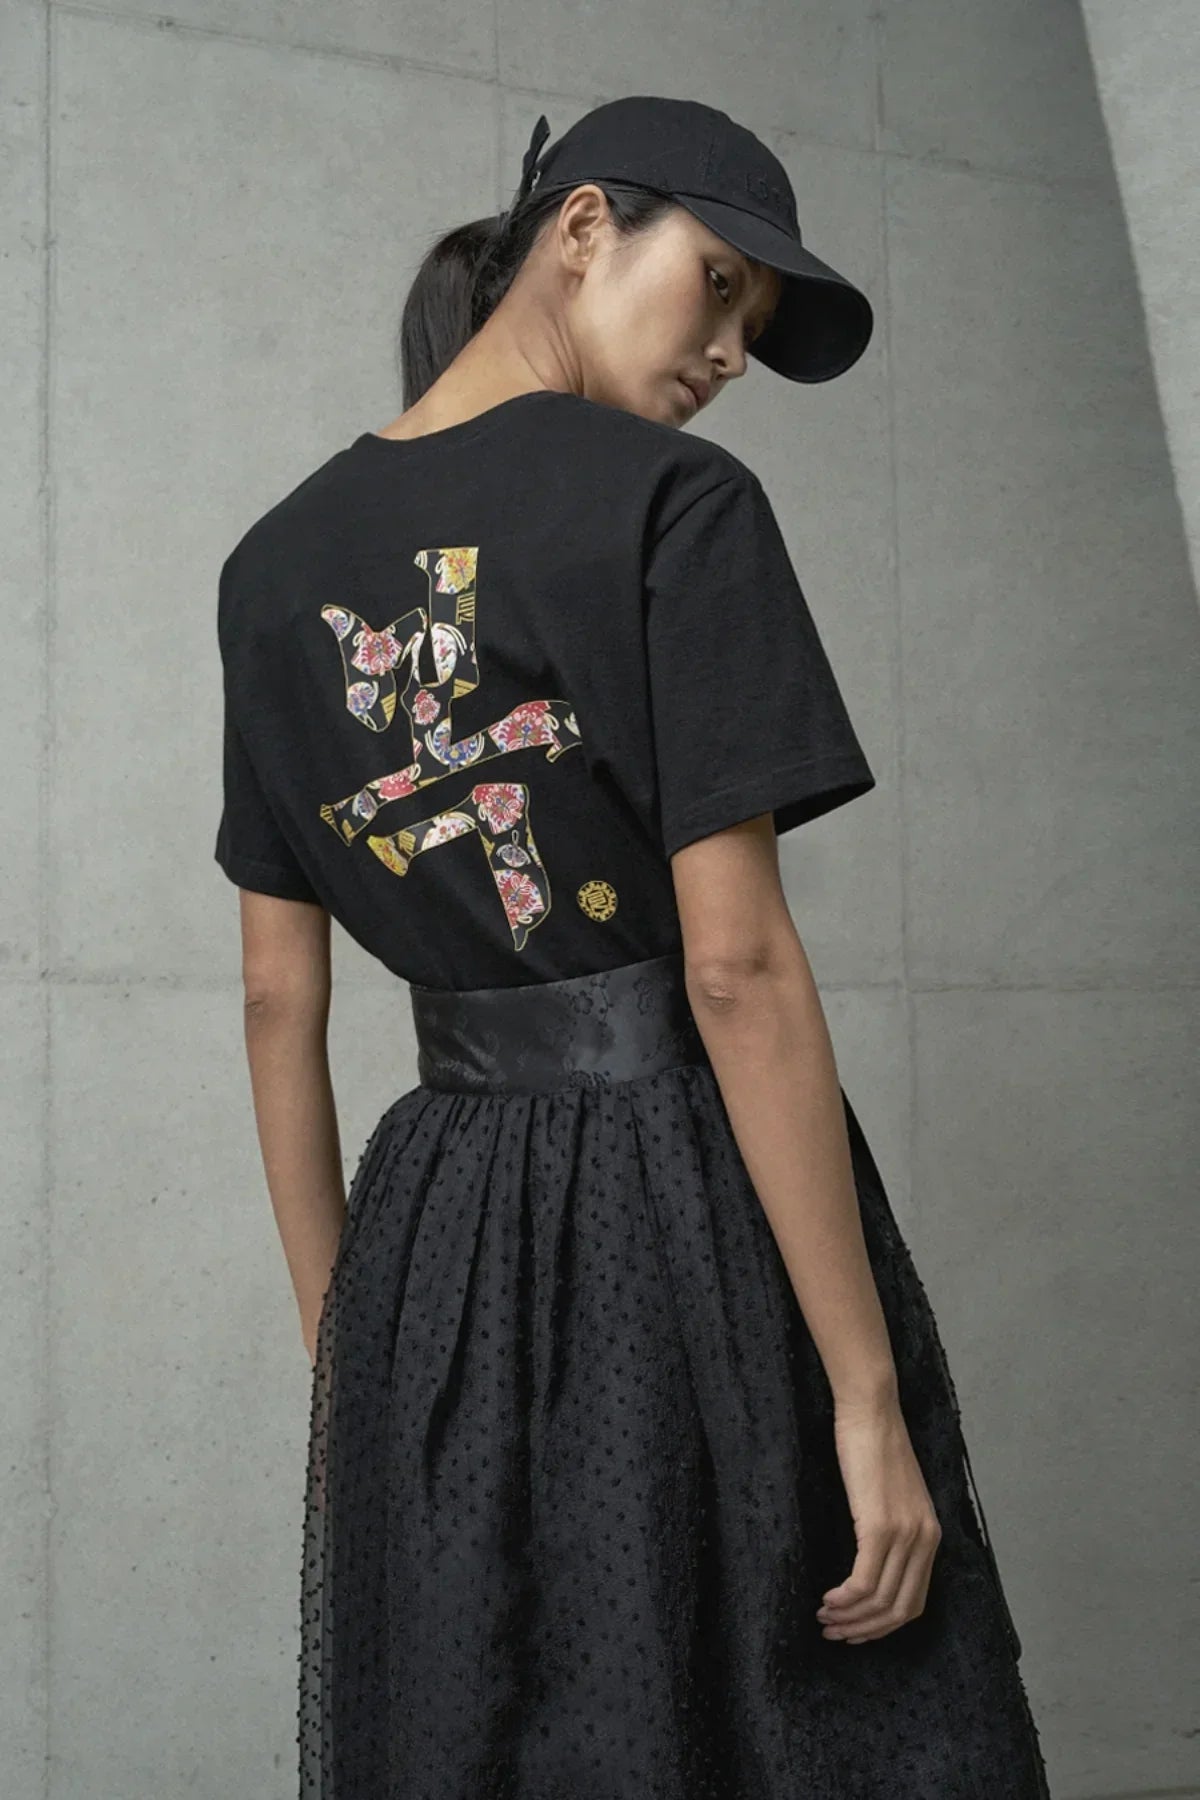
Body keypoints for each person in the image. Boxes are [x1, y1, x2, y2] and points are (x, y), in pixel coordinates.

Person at [214, 94, 1052, 1799]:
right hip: (678, 1196)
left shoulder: (270, 564)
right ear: (584, 227)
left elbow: (274, 1000)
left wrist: (350, 1352)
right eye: (724, 286)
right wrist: (869, 1403)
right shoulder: (678, 506)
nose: (732, 350)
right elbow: (736, 975)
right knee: (770, 1717)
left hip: (426, 1236)